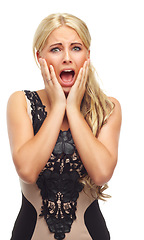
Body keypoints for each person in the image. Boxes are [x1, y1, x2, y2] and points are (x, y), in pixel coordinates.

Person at [7, 13, 122, 240]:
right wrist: (58, 104)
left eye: (76, 48)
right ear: (39, 56)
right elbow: (28, 171)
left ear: (88, 55)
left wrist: (73, 110)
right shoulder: (21, 102)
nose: (67, 57)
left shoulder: (108, 108)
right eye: (56, 49)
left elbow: (101, 174)